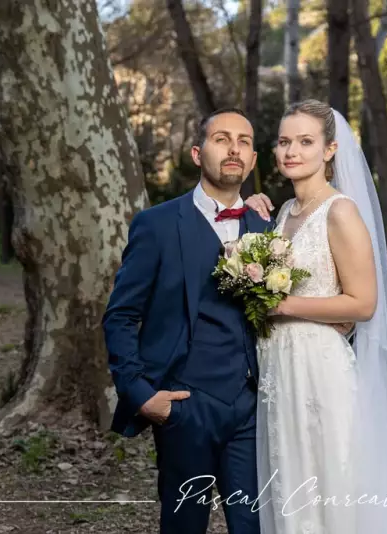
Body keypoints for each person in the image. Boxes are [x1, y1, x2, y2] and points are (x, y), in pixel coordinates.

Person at [243, 99, 387, 533]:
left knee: (332, 484)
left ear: (330, 150)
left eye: (305, 141)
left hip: (321, 372)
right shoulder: (283, 214)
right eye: (284, 141)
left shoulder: (341, 211)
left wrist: (283, 306)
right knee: (293, 484)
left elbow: (362, 302)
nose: (291, 151)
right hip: (281, 372)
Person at [103, 108, 273, 533]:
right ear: (198, 153)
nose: (234, 148)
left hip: (252, 409)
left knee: (255, 525)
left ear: (252, 161)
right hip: (183, 406)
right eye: (221, 139)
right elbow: (121, 315)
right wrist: (141, 394)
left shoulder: (268, 231)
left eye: (244, 141)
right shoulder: (156, 225)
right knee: (184, 525)